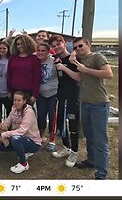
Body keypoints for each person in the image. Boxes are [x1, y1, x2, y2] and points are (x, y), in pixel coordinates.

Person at [69, 37, 113, 180]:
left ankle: (101, 173)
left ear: (88, 44)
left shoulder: (97, 56)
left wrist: (85, 69)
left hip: (99, 104)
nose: (78, 49)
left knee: (100, 140)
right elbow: (79, 77)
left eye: (80, 46)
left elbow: (108, 73)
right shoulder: (81, 61)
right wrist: (66, 66)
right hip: (85, 103)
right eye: (75, 47)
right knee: (89, 136)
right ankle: (91, 161)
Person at [49, 35, 81, 167]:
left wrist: (64, 68)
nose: (56, 47)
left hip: (72, 96)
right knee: (61, 124)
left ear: (64, 43)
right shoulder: (56, 59)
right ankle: (66, 147)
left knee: (73, 125)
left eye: (58, 44)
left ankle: (75, 151)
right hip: (60, 96)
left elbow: (78, 77)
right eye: (54, 46)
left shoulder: (74, 58)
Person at [0, 91, 42, 174]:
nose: (16, 103)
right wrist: (3, 126)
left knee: (15, 139)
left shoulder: (29, 112)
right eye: (14, 100)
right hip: (18, 137)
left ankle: (24, 164)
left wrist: (5, 134)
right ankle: (23, 151)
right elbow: (8, 121)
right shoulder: (13, 108)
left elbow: (22, 131)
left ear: (24, 101)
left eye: (19, 100)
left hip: (32, 142)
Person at [35, 42, 58, 146]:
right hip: (40, 94)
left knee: (53, 117)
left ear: (48, 52)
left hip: (53, 93)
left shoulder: (54, 61)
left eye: (43, 51)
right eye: (39, 50)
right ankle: (41, 136)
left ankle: (52, 140)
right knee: (41, 115)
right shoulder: (34, 61)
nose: (40, 53)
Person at [7, 34, 41, 105]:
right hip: (15, 91)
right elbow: (9, 75)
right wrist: (9, 91)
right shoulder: (12, 58)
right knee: (15, 115)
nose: (20, 46)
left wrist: (35, 95)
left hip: (28, 93)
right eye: (18, 44)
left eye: (22, 43)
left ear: (27, 44)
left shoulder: (34, 58)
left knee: (27, 115)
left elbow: (37, 78)